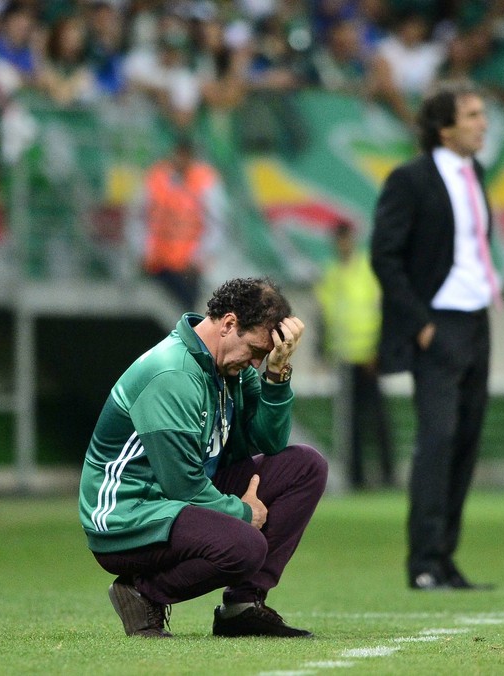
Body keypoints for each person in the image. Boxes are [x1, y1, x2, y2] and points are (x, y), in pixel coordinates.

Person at [78, 277, 328, 638]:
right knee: (246, 547)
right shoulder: (173, 373)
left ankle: (242, 608)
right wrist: (244, 513)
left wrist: (276, 373)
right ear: (229, 324)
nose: (256, 362)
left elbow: (270, 442)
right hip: (128, 515)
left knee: (304, 467)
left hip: (177, 497)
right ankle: (141, 594)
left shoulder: (229, 368)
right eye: (255, 350)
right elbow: (182, 485)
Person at [370, 79, 499, 591]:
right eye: (472, 115)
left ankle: (446, 558)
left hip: (476, 319)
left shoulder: (476, 173)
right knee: (437, 440)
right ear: (444, 129)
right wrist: (419, 322)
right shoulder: (411, 179)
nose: (483, 123)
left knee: (466, 439)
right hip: (437, 322)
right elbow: (384, 255)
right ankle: (422, 562)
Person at [314, 219, 394, 490]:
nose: (343, 244)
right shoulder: (331, 274)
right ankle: (357, 477)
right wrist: (323, 352)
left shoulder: (367, 269)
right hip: (344, 358)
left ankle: (387, 474)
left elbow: (381, 310)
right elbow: (324, 315)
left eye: (346, 239)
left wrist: (379, 350)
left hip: (368, 356)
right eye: (339, 240)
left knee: (378, 420)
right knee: (351, 423)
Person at [126, 136, 227, 310]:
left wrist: (198, 258)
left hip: (187, 267)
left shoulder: (206, 181)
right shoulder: (155, 177)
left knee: (184, 310)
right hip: (158, 263)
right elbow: (137, 218)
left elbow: (217, 224)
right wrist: (143, 251)